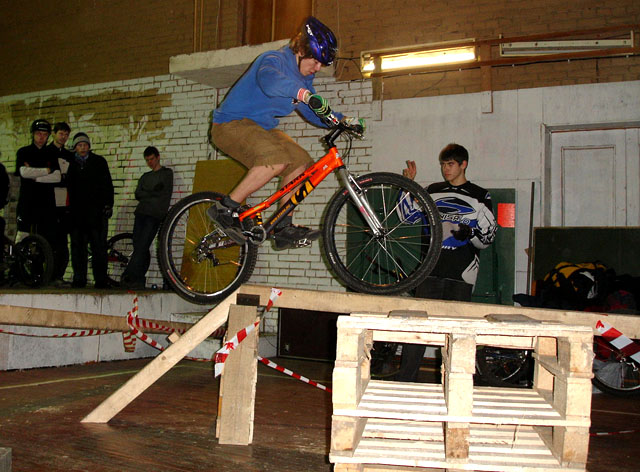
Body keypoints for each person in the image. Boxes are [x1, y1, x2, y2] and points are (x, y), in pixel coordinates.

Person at [207, 16, 362, 250]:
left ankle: (282, 227)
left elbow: (312, 112)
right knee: (276, 159)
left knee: (301, 162)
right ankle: (225, 208)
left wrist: (343, 121)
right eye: (315, 61)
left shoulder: (304, 80)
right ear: (301, 50)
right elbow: (270, 83)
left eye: (321, 64)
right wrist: (303, 94)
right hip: (230, 124)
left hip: (261, 128)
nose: (317, 68)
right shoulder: (273, 60)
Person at [396, 143, 497, 382]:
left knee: (458, 334)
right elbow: (406, 217)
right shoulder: (432, 190)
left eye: (450, 164)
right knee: (417, 330)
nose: (445, 169)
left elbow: (488, 238)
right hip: (429, 271)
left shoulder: (480, 195)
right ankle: (405, 381)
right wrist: (408, 186)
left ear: (463, 165)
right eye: (443, 164)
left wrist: (470, 233)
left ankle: (457, 383)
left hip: (461, 274)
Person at [66, 132, 114, 289]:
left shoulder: (99, 162)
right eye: (79, 145)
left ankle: (101, 280)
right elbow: (67, 188)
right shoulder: (70, 164)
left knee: (99, 247)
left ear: (89, 146)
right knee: (78, 248)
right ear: (75, 147)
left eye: (85, 145)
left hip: (96, 213)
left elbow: (107, 184)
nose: (82, 148)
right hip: (77, 214)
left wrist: (108, 204)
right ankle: (79, 279)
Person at [121, 146, 173, 290]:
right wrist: (152, 192)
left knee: (143, 244)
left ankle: (129, 275)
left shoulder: (166, 173)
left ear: (158, 157)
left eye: (152, 159)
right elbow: (138, 194)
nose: (150, 162)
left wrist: (147, 193)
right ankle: (138, 278)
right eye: (147, 160)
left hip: (154, 214)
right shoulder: (145, 176)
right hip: (141, 212)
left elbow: (161, 191)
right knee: (139, 245)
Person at [14, 119, 60, 248]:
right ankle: (18, 259)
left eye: (45, 135)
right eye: (38, 134)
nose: (41, 137)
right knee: (22, 235)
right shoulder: (23, 152)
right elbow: (24, 172)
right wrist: (47, 171)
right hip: (27, 201)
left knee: (45, 239)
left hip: (46, 203)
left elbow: (57, 177)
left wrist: (35, 176)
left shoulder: (52, 153)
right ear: (33, 134)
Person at [46, 122, 74, 283]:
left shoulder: (69, 155)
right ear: (54, 134)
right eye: (61, 134)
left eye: (66, 134)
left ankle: (58, 275)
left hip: (64, 203)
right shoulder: (46, 152)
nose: (63, 137)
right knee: (48, 240)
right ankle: (47, 275)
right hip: (48, 202)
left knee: (62, 241)